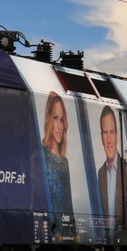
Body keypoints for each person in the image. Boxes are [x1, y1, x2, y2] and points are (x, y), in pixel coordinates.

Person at [96, 106, 127, 242]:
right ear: (101, 137)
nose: (109, 140)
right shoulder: (100, 174)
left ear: (117, 135)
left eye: (112, 132)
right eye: (105, 132)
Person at [41, 91, 73, 220]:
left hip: (65, 232)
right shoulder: (40, 156)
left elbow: (69, 207)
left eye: (62, 120)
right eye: (55, 118)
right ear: (49, 119)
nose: (60, 126)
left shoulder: (64, 163)